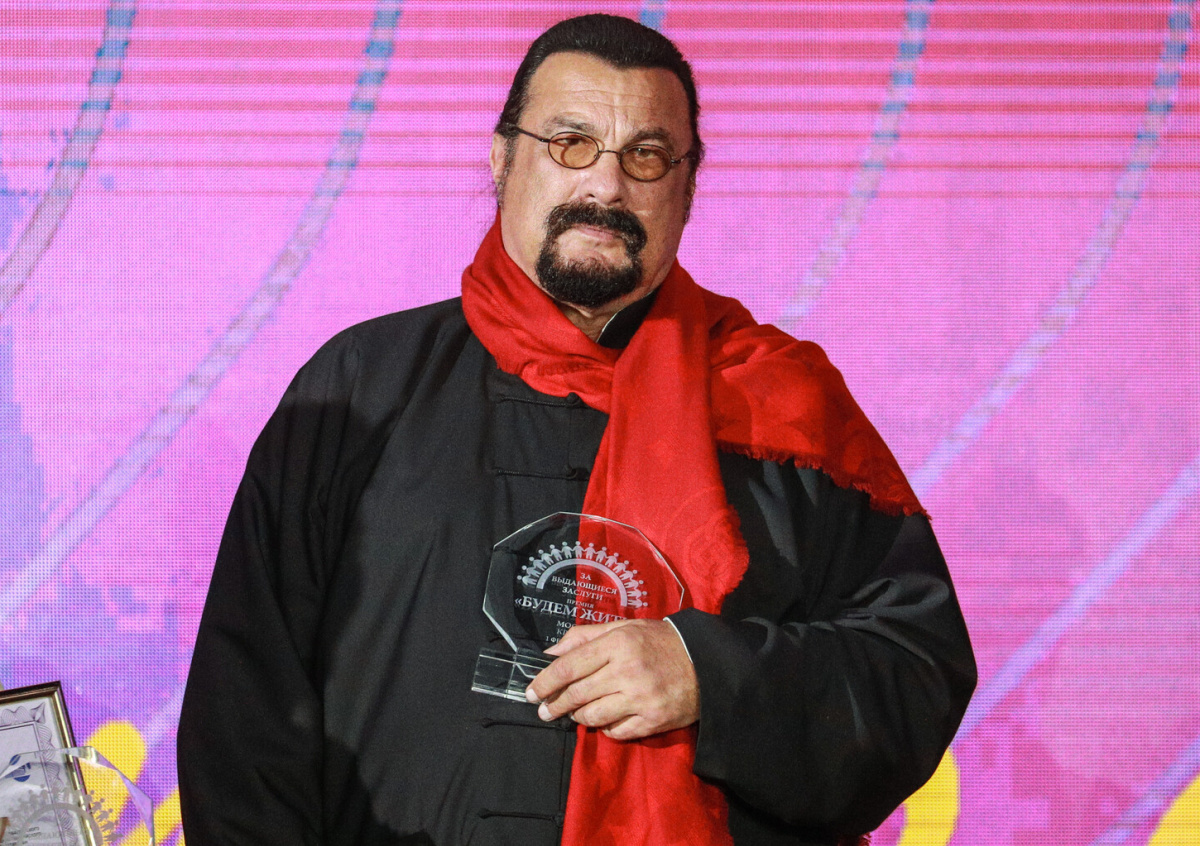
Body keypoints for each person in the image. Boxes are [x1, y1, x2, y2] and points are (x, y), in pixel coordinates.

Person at [178, 14, 975, 846]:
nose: (606, 185)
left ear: (688, 185)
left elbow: (913, 674)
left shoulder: (782, 408)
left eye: (646, 155)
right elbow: (246, 712)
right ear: (502, 158)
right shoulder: (362, 389)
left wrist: (713, 677)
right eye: (571, 143)